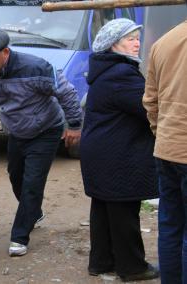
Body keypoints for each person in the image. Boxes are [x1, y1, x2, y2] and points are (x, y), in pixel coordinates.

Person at [0, 28, 83, 257]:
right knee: (15, 177)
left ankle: (19, 237)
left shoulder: (36, 68)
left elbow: (67, 93)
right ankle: (33, 211)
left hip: (46, 130)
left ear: (5, 52)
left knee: (32, 182)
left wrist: (73, 124)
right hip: (18, 132)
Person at [80, 18, 159, 282]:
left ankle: (101, 262)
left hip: (102, 150)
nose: (137, 43)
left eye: (138, 37)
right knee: (124, 209)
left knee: (104, 207)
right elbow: (147, 107)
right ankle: (132, 267)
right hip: (117, 154)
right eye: (130, 39)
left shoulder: (106, 69)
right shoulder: (121, 73)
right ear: (114, 45)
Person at [143, 13, 187, 284]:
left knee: (171, 225)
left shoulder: (164, 42)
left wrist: (163, 135)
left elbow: (150, 101)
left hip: (167, 150)